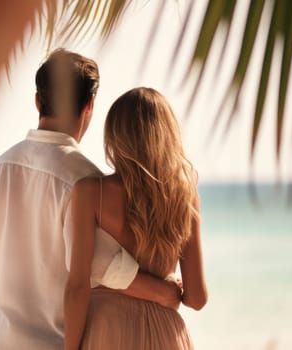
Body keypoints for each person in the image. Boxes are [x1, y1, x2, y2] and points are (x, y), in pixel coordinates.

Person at [0, 51, 182, 350]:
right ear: (89, 105)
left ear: (38, 101)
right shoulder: (86, 180)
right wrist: (163, 292)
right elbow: (104, 264)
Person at [64, 87, 208, 350]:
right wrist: (170, 287)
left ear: (115, 136)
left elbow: (77, 289)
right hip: (167, 336)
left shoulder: (89, 192)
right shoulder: (185, 197)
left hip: (107, 332)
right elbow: (197, 299)